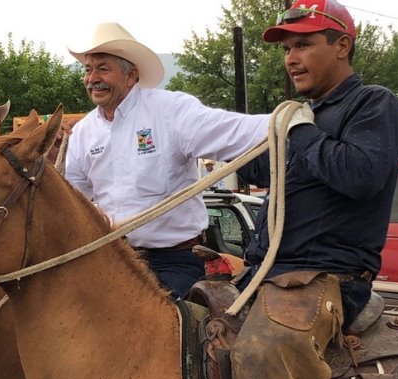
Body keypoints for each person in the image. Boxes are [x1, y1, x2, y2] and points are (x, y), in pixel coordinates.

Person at [231, 0, 398, 379]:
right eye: (287, 49)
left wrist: (302, 132)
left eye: (303, 45)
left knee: (261, 356)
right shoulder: (302, 114)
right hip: (265, 273)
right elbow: (258, 171)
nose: (291, 59)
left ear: (342, 45)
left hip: (324, 278)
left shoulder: (373, 103)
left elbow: (361, 176)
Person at [64, 22, 270, 298]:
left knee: (164, 327)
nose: (92, 78)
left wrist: (287, 122)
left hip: (174, 259)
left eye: (103, 68)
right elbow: (72, 202)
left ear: (131, 75)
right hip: (111, 257)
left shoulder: (169, 111)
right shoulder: (83, 133)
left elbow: (233, 131)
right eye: (88, 70)